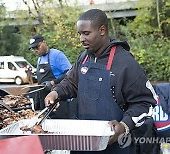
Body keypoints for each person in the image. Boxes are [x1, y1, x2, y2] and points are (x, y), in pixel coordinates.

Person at [44, 9, 158, 154]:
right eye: (79, 34)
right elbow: (71, 83)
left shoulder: (125, 63)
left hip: (115, 145)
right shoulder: (84, 58)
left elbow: (145, 103)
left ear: (102, 30)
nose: (81, 39)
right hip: (82, 142)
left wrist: (124, 126)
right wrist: (56, 92)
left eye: (86, 33)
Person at [29, 34, 72, 119]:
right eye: (33, 49)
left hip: (59, 100)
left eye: (37, 47)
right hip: (45, 101)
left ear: (44, 42)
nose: (36, 50)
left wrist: (53, 82)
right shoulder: (39, 59)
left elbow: (71, 73)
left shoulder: (57, 55)